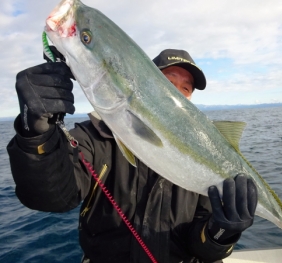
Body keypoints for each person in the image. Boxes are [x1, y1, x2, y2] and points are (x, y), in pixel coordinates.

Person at [7, 48, 258, 263]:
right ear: (145, 84)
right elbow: (50, 197)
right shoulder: (98, 136)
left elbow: (202, 247)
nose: (178, 95)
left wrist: (221, 232)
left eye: (186, 89)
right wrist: (36, 133)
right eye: (168, 84)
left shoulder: (205, 158)